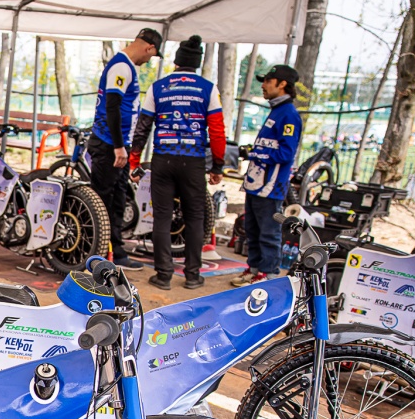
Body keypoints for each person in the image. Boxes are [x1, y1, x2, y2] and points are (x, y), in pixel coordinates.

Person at [128, 35, 226, 291]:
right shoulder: (208, 88)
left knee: (162, 216)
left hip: (163, 159)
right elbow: (217, 131)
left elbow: (142, 127)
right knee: (195, 217)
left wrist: (134, 161)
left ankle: (163, 276)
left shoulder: (158, 88)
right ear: (197, 63)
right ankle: (192, 275)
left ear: (176, 62)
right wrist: (218, 166)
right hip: (193, 162)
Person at [87, 28, 163, 271]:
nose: (148, 60)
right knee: (103, 201)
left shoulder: (127, 67)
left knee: (118, 199)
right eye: (151, 56)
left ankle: (116, 252)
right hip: (109, 144)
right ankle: (96, 254)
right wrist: (119, 146)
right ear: (149, 47)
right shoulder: (121, 66)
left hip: (117, 144)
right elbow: (112, 106)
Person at [231, 65, 303, 287]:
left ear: (282, 84)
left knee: (268, 233)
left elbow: (286, 153)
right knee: (251, 229)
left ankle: (268, 275)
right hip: (256, 184)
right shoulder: (276, 110)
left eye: (268, 81)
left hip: (271, 187)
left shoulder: (289, 114)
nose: (263, 86)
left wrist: (256, 154)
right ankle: (254, 269)